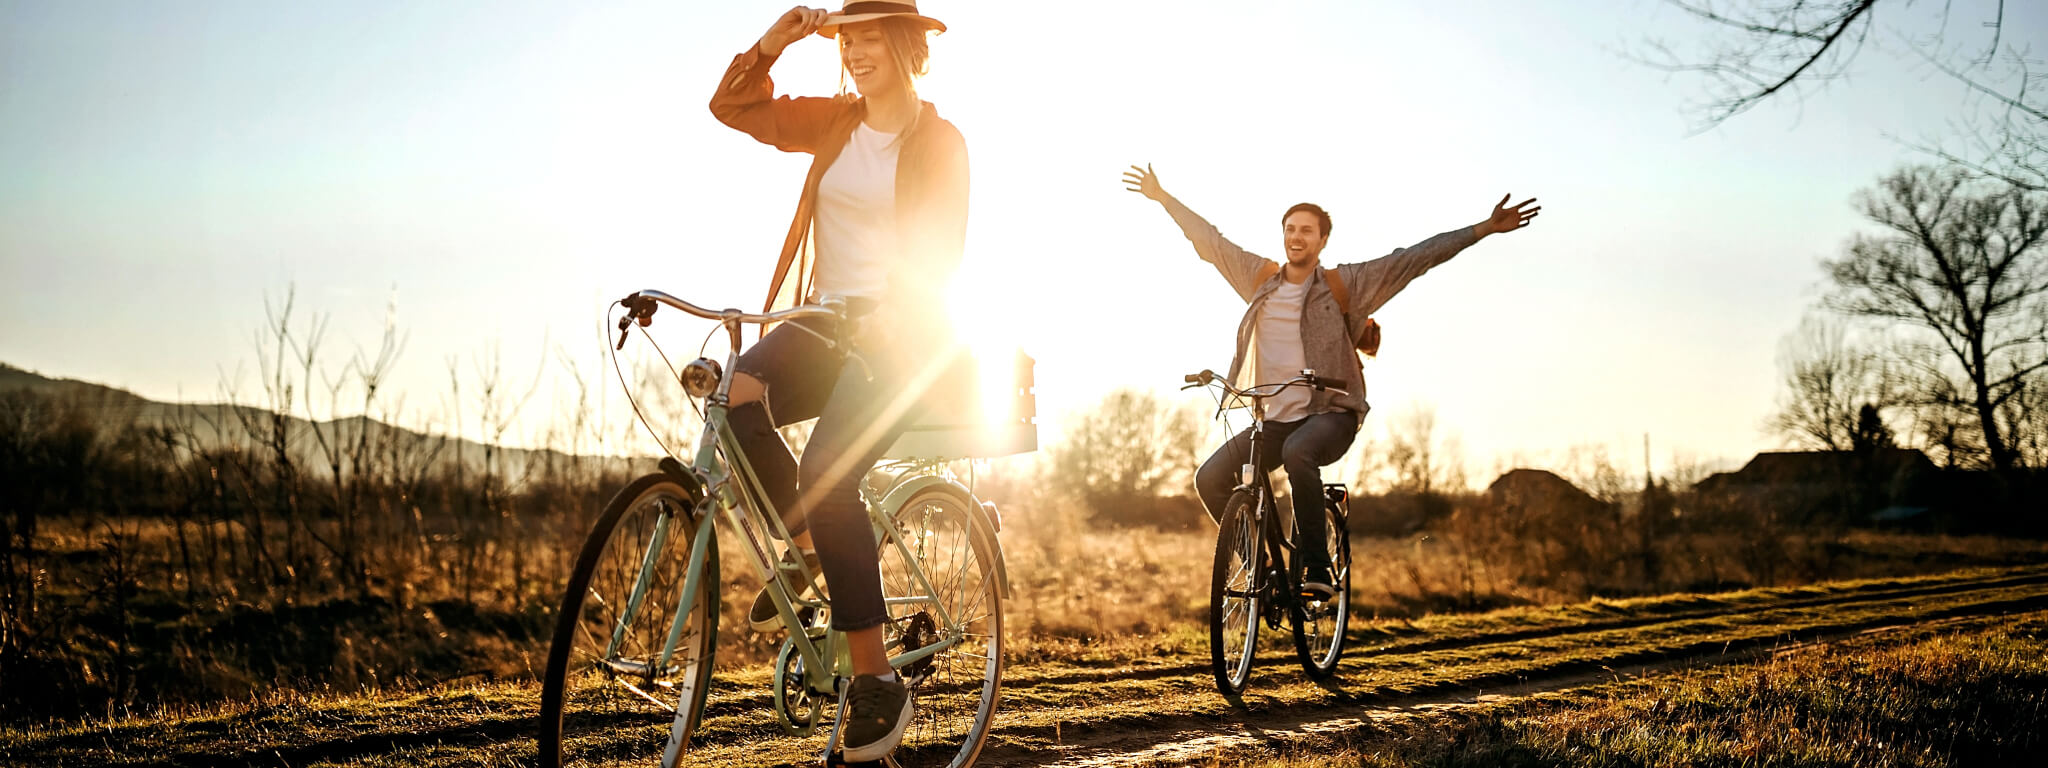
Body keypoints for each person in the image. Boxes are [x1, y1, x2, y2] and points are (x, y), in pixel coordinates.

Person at [710, 3, 967, 760]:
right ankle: (807, 544)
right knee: (734, 394)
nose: (853, 51)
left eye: (867, 38)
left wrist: (890, 324)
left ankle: (876, 678)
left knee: (829, 469)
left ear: (904, 45)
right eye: (845, 39)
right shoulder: (834, 122)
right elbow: (733, 106)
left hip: (905, 338)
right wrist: (774, 43)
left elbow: (940, 253)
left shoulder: (943, 142)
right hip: (827, 321)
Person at [1122, 164, 1537, 600]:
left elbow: (1414, 259)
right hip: (1275, 415)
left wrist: (1484, 229)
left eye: (1306, 230)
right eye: (1289, 229)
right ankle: (1259, 564)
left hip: (1331, 414)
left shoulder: (1346, 285)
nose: (1296, 236)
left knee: (1298, 452)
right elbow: (1210, 242)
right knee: (1209, 478)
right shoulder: (1259, 280)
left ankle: (1317, 567)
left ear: (1322, 240)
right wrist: (1164, 198)